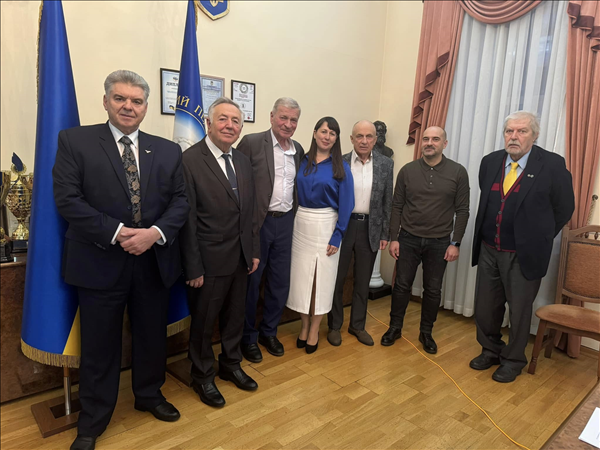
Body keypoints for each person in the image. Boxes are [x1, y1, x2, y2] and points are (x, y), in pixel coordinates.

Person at [53, 70, 190, 450]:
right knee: (99, 345)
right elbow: (67, 199)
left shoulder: (167, 150)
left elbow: (181, 201)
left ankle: (149, 395)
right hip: (99, 261)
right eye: (120, 98)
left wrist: (154, 233)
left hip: (153, 260)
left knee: (152, 337)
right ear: (106, 101)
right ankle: (93, 420)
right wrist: (117, 232)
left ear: (146, 107)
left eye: (136, 101)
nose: (128, 106)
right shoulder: (74, 141)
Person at [470, 111, 574, 383]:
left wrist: (540, 236)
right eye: (509, 131)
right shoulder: (490, 162)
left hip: (524, 254)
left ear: (534, 135)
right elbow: (488, 196)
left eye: (521, 131)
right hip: (489, 248)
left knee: (519, 311)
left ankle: (514, 360)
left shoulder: (552, 165)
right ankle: (490, 350)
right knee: (486, 308)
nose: (514, 137)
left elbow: (564, 208)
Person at [179, 97, 260, 408]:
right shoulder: (189, 160)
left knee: (235, 317)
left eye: (236, 121)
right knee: (203, 323)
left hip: (241, 258)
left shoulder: (242, 160)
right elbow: (187, 220)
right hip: (208, 262)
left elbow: (250, 211)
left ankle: (230, 364)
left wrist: (253, 250)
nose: (230, 125)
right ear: (208, 123)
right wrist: (193, 267)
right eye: (223, 119)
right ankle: (202, 376)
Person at [385, 126, 470, 354]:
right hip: (408, 239)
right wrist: (394, 238)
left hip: (440, 242)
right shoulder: (408, 170)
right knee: (401, 285)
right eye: (425, 139)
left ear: (445, 143)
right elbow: (397, 206)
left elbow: (462, 210)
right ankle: (395, 328)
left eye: (435, 139)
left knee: (432, 290)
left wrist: (456, 242)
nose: (429, 143)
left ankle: (426, 332)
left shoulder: (458, 172)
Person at [236, 98, 305, 363]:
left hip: (286, 222)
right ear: (272, 116)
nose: (288, 124)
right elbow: (238, 181)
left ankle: (269, 332)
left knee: (279, 282)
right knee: (252, 282)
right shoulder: (252, 143)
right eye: (283, 117)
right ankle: (248, 337)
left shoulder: (298, 150)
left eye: (293, 120)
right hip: (259, 223)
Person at [286, 117, 354, 353]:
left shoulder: (341, 167)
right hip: (301, 224)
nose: (327, 136)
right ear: (315, 133)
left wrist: (338, 235)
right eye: (324, 131)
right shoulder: (302, 160)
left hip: (327, 225)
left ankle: (315, 328)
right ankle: (304, 326)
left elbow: (347, 203)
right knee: (302, 280)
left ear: (336, 139)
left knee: (321, 281)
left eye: (332, 133)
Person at [328, 120, 394, 346]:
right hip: (343, 227)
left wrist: (385, 233)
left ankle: (357, 325)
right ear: (351, 139)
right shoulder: (340, 161)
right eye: (359, 136)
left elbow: (387, 201)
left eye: (369, 136)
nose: (364, 141)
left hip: (370, 229)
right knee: (337, 279)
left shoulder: (386, 164)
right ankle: (334, 326)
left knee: (362, 281)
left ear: (375, 139)